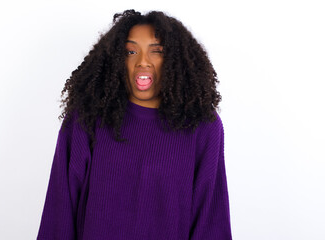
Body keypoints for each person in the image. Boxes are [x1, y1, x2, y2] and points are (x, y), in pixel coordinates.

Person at [37, 9, 232, 240]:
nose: (142, 62)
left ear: (175, 60)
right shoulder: (87, 119)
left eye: (157, 51)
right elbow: (59, 212)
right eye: (130, 51)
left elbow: (210, 219)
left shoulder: (202, 127)